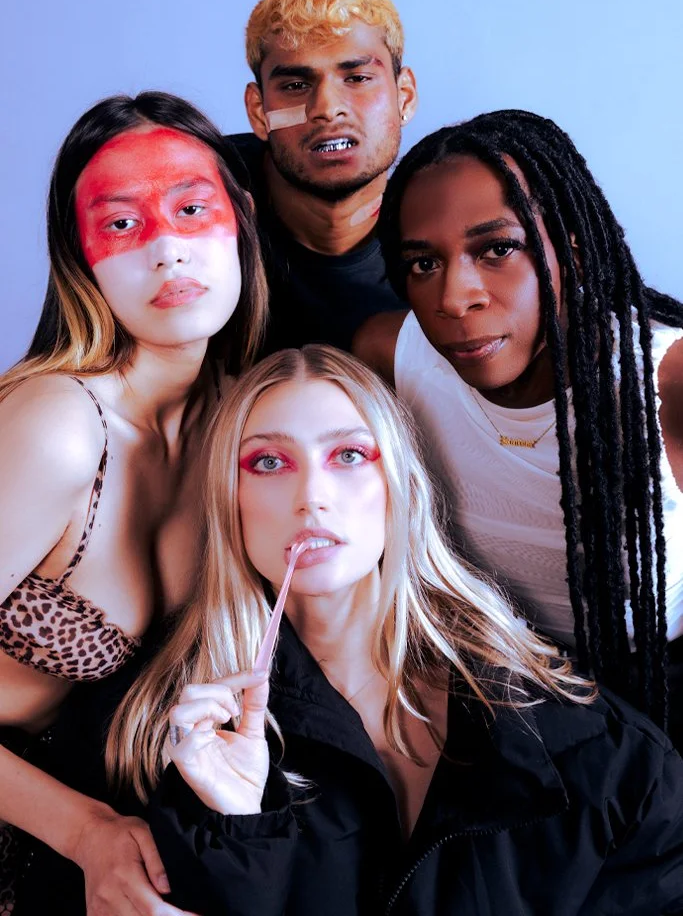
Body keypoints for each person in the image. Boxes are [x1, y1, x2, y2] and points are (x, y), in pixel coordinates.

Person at [108, 347, 683, 916]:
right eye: (267, 463)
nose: (311, 498)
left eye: (350, 455)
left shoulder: (606, 756)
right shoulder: (179, 741)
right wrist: (237, 829)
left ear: (399, 484)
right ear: (226, 501)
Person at [0, 91, 268, 915]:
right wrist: (85, 832)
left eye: (191, 208)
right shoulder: (59, 427)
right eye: (122, 225)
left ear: (242, 220)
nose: (167, 252)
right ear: (79, 259)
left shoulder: (233, 425)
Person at [354, 109, 683, 742]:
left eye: (498, 249)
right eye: (423, 264)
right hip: (495, 684)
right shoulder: (387, 356)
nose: (455, 297)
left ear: (573, 256)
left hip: (656, 699)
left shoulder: (661, 389)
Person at [226, 0, 418, 353]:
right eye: (296, 85)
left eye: (358, 78)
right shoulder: (195, 196)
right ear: (259, 112)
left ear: (405, 97)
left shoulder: (442, 230)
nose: (327, 107)